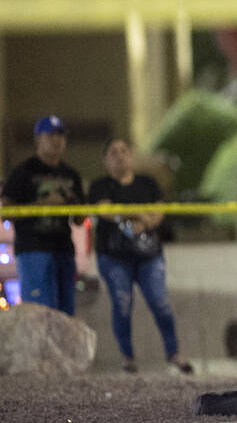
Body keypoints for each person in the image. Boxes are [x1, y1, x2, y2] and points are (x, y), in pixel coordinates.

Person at [88, 138, 192, 374]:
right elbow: (105, 211)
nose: (120, 156)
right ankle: (128, 358)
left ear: (131, 156)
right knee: (122, 304)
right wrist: (138, 212)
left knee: (160, 303)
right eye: (113, 152)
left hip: (148, 255)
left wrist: (138, 220)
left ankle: (174, 353)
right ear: (105, 160)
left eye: (124, 151)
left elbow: (158, 213)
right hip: (114, 256)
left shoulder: (147, 183)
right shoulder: (100, 186)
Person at [1, 116, 84, 313]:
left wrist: (76, 206)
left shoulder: (71, 174)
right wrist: (44, 204)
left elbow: (79, 220)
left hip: (63, 249)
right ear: (38, 139)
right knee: (39, 312)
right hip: (33, 249)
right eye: (51, 135)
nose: (56, 140)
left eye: (61, 135)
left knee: (65, 314)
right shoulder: (23, 172)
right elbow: (6, 212)